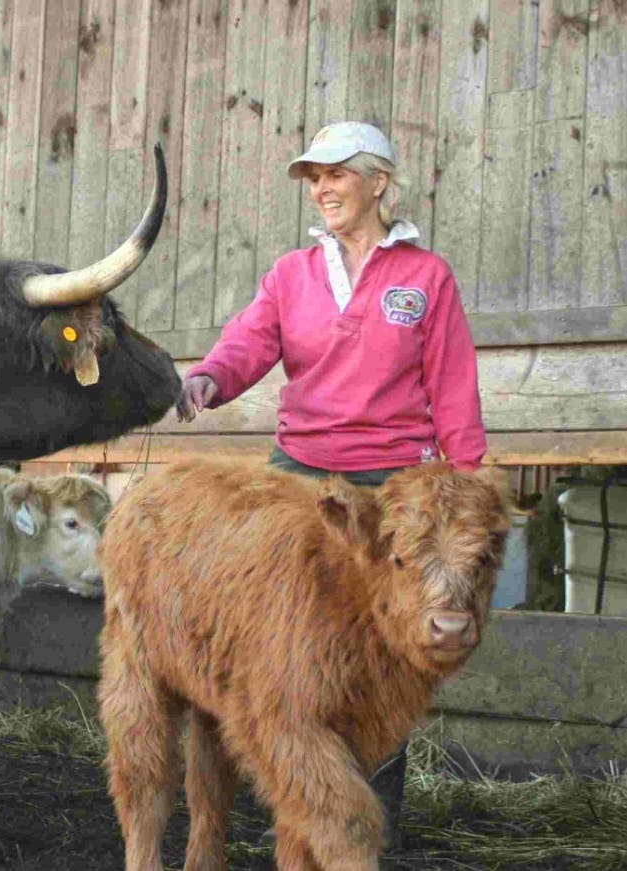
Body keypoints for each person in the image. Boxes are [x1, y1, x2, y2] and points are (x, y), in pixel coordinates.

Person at [176, 121, 488, 847]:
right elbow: (251, 340)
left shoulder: (423, 278)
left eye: (336, 173)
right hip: (301, 487)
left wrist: (465, 485)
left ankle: (367, 828)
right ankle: (283, 802)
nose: (321, 188)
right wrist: (210, 377)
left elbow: (451, 388)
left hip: (391, 491)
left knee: (386, 655)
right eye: (312, 176)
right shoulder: (291, 274)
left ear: (377, 182)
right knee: (278, 648)